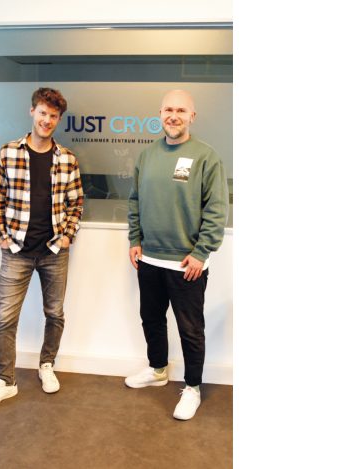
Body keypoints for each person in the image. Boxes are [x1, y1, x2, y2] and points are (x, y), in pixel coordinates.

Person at [0, 88, 84, 410]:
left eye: (53, 116)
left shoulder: (67, 158)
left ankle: (47, 364)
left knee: (55, 313)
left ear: (59, 119)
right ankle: (5, 382)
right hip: (17, 251)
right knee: (6, 319)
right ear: (32, 112)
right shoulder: (9, 152)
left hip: (54, 251)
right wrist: (2, 237)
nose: (47, 120)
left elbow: (76, 202)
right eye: (42, 113)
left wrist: (67, 236)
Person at [125, 89, 228, 420]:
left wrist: (201, 252)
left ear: (192, 117)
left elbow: (217, 209)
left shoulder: (206, 157)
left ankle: (193, 388)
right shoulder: (147, 156)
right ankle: (157, 370)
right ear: (160, 114)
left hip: (187, 264)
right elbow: (135, 201)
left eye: (181, 110)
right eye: (168, 109)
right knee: (151, 319)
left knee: (190, 329)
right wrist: (135, 238)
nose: (174, 116)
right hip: (149, 259)